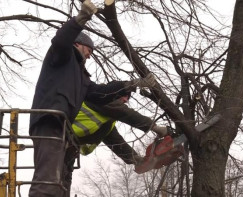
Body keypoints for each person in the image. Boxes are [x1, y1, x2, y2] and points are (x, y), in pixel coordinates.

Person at [28, 1, 156, 196]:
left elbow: (101, 93)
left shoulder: (82, 78)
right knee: (47, 182)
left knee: (58, 186)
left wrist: (133, 84)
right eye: (89, 50)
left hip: (64, 131)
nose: (89, 56)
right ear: (78, 44)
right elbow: (61, 40)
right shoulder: (63, 56)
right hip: (49, 120)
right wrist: (82, 17)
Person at [69, 93, 168, 170]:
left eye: (127, 99)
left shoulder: (106, 121)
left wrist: (135, 158)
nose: (125, 100)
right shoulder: (101, 98)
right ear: (114, 92)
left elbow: (116, 142)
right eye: (124, 96)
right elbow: (126, 113)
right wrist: (155, 127)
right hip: (60, 134)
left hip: (69, 147)